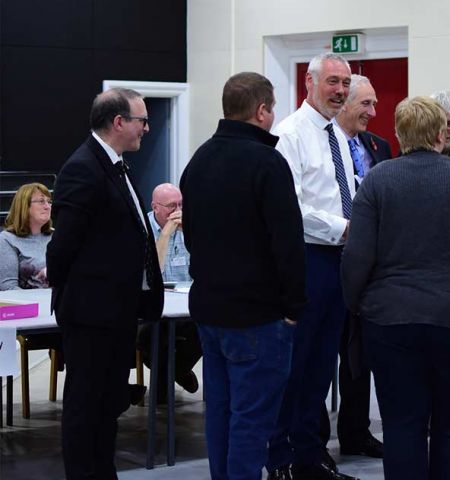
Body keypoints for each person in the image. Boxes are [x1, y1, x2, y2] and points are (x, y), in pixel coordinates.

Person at [341, 96, 450, 480]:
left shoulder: (378, 180)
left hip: (390, 321)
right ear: (441, 133)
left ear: (399, 135)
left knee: (402, 425)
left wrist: (360, 305)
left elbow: (356, 257)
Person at [180, 71, 306, 480]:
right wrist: (293, 307)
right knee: (253, 419)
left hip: (210, 309)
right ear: (262, 110)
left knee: (220, 412)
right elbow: (287, 242)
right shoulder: (268, 162)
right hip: (257, 315)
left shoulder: (199, 159)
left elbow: (193, 236)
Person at [46, 87, 164, 479]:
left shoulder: (113, 164)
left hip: (114, 311)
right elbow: (61, 249)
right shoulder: (84, 166)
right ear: (119, 122)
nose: (146, 129)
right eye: (141, 121)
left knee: (106, 404)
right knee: (86, 406)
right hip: (92, 312)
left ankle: (101, 472)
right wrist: (83, 298)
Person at [267, 52, 358, 480]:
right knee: (295, 364)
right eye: (333, 82)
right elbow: (291, 207)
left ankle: (311, 452)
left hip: (339, 261)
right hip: (307, 260)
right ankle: (281, 456)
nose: (340, 91)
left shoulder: (337, 135)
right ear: (310, 81)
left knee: (323, 364)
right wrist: (346, 228)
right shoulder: (289, 134)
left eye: (345, 83)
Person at [329, 73, 389, 459]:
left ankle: (356, 431)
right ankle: (312, 436)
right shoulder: (323, 143)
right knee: (319, 358)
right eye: (366, 104)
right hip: (328, 261)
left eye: (374, 103)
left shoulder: (378, 147)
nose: (373, 111)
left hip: (370, 269)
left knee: (358, 358)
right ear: (345, 103)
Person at [137, 183, 201, 401]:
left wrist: (192, 236)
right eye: (171, 206)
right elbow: (150, 273)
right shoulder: (142, 227)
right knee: (149, 335)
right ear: (155, 207)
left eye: (181, 204)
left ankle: (173, 374)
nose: (177, 211)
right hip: (153, 305)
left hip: (186, 304)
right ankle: (175, 375)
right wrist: (165, 234)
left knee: (204, 328)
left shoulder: (193, 224)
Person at [0, 183, 53, 290]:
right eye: (41, 201)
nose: (47, 207)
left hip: (61, 303)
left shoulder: (56, 236)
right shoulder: (7, 239)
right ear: (24, 205)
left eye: (49, 202)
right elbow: (8, 287)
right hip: (29, 305)